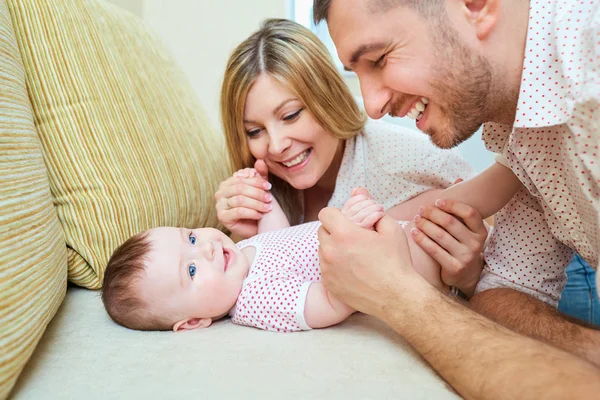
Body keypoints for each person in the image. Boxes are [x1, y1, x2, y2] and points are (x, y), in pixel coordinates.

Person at [313, 0, 600, 397]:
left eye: (378, 59)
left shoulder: (590, 62)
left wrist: (396, 294)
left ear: (476, 6)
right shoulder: (523, 131)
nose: (373, 107)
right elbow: (506, 292)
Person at [215, 18, 488, 297]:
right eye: (254, 131)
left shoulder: (412, 160)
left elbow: (508, 256)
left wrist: (471, 279)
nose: (275, 146)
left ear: (327, 97)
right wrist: (244, 235)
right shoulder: (266, 185)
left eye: (291, 115)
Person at [101, 170, 457, 332]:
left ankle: (503, 178)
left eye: (192, 238)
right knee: (449, 222)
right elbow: (332, 302)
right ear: (194, 322)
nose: (206, 250)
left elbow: (278, 235)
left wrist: (261, 193)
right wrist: (350, 231)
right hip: (409, 268)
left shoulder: (242, 252)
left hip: (397, 241)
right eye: (191, 272)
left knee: (447, 208)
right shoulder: (256, 300)